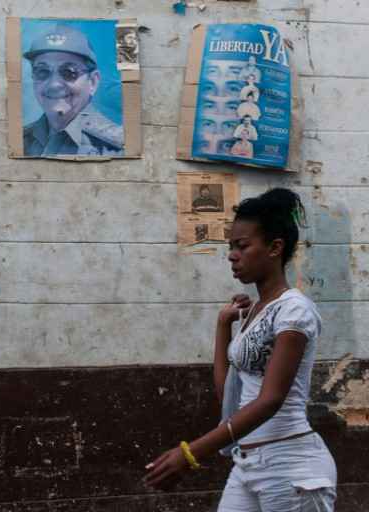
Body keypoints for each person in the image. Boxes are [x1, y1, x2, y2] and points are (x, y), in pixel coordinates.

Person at [144, 188, 337, 512]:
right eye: (231, 247)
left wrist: (191, 452)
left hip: (291, 467)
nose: (232, 255)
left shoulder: (294, 311)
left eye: (242, 246)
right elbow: (228, 395)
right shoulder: (256, 311)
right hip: (247, 464)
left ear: (275, 248)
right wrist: (223, 325)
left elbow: (270, 400)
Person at [22, 23, 124, 157]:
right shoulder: (21, 140)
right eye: (42, 72)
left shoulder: (118, 149)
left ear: (93, 82)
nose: (54, 84)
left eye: (69, 72)